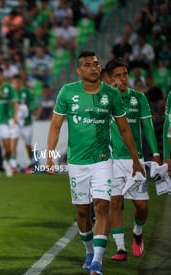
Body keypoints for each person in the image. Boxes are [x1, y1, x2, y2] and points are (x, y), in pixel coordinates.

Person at [46, 51, 145, 275]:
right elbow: (55, 125)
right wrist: (50, 154)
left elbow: (124, 128)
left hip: (102, 160)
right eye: (88, 65)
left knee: (101, 206)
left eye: (97, 64)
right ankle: (89, 251)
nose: (94, 68)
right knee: (82, 211)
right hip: (77, 162)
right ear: (79, 70)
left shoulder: (111, 93)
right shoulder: (67, 92)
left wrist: (135, 160)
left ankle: (97, 262)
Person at [105, 58, 160, 261]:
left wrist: (155, 155)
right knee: (115, 202)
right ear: (110, 79)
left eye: (124, 74)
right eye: (117, 76)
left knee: (142, 207)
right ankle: (121, 249)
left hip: (135, 160)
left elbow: (147, 128)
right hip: (112, 160)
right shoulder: (106, 99)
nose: (122, 79)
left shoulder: (139, 98)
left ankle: (137, 232)